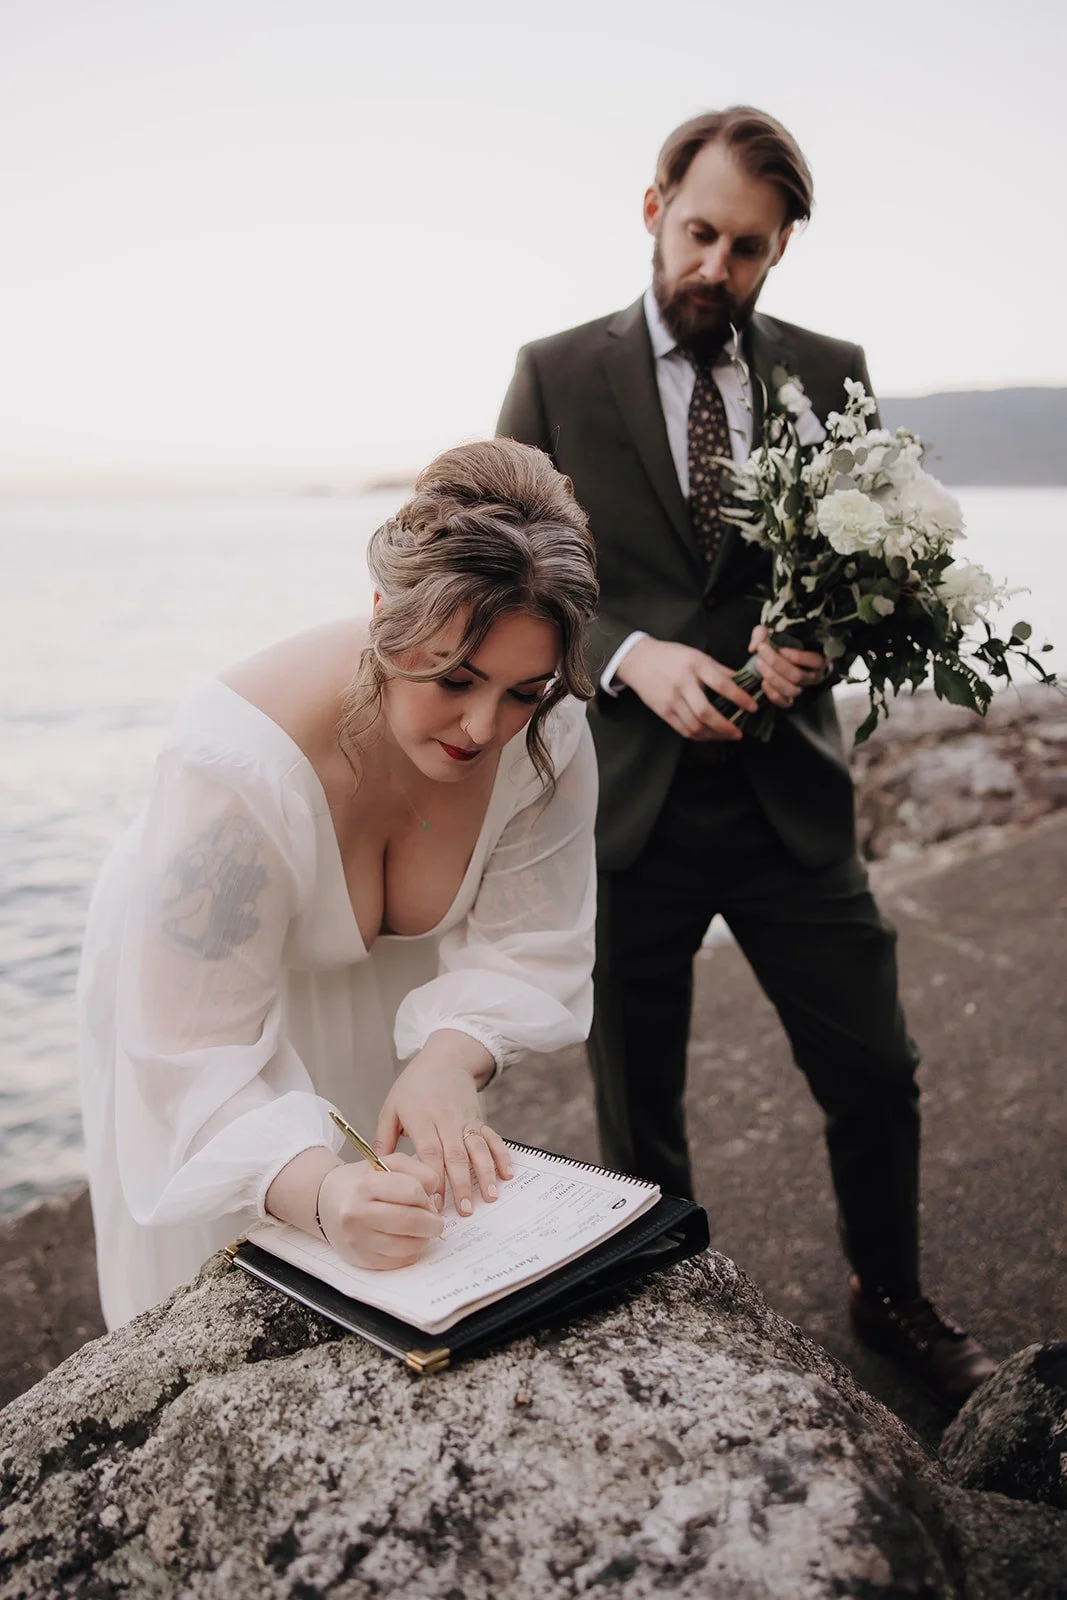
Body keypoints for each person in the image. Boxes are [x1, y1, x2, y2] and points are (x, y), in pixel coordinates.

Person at [497, 107, 996, 1405]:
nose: (715, 264)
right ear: (652, 204)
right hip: (628, 807)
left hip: (789, 797)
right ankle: (673, 1312)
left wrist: (818, 642)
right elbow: (500, 578)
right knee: (636, 1107)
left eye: (748, 248)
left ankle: (886, 1293)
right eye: (699, 230)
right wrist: (625, 655)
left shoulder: (830, 371)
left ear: (779, 253)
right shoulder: (552, 373)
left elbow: (870, 566)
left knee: (874, 1071)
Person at [77, 439, 600, 1330]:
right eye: (455, 678)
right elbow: (191, 1052)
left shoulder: (544, 732)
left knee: (403, 1264)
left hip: (373, 1009)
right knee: (240, 1276)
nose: (484, 726)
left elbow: (529, 939)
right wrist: (316, 1193)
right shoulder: (235, 765)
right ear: (382, 616)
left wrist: (445, 1058)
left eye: (522, 690)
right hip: (202, 999)